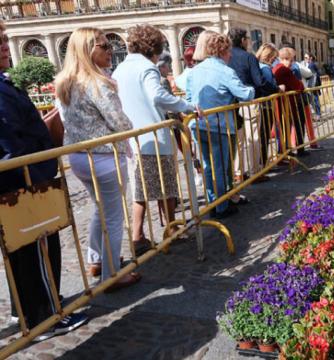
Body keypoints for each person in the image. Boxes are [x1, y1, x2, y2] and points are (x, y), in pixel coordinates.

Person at [0, 22, 88, 341]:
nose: (5, 45)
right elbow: (12, 145)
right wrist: (40, 172)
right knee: (36, 249)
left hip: (20, 180)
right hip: (23, 183)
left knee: (22, 253)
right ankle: (44, 316)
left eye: (5, 39)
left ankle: (27, 310)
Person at [56, 27, 140, 290]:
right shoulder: (97, 82)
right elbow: (119, 122)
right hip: (103, 157)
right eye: (104, 46)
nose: (110, 49)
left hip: (80, 158)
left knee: (100, 209)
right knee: (113, 216)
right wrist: (132, 128)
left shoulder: (66, 81)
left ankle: (97, 260)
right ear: (87, 50)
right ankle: (112, 274)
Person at [112, 25, 196, 256]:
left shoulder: (119, 69)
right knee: (166, 185)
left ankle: (140, 235)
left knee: (141, 189)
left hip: (133, 137)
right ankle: (167, 230)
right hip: (153, 135)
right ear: (155, 47)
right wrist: (186, 105)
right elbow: (157, 95)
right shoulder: (147, 68)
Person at [186, 30, 255, 218]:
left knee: (209, 167)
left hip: (199, 125)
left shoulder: (195, 70)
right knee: (220, 166)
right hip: (219, 126)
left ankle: (213, 202)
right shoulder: (224, 70)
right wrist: (251, 88)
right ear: (222, 50)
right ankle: (221, 206)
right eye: (228, 51)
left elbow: (189, 98)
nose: (231, 55)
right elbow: (245, 94)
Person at [228, 28, 278, 183]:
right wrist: (276, 89)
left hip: (231, 103)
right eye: (247, 38)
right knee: (253, 137)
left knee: (240, 140)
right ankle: (255, 171)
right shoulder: (248, 57)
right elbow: (260, 81)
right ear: (243, 40)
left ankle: (238, 172)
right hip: (250, 101)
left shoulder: (227, 57)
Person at [273, 47, 308, 156]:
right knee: (294, 125)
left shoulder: (276, 68)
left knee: (284, 127)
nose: (292, 63)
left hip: (281, 103)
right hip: (288, 104)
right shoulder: (284, 70)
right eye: (291, 60)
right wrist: (300, 83)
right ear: (285, 58)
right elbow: (299, 85)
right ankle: (293, 149)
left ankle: (285, 150)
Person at [256, 43, 283, 166]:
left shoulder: (257, 66)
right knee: (264, 134)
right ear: (268, 56)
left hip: (260, 104)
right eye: (273, 57)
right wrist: (278, 88)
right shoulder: (265, 68)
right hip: (266, 105)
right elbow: (269, 86)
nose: (274, 59)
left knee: (261, 135)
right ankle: (262, 162)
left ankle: (260, 161)